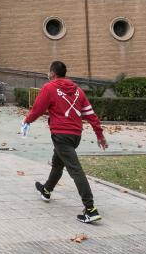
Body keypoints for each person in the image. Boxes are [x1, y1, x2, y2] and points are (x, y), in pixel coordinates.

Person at [22, 60, 108, 224]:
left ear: (52, 73)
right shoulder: (78, 90)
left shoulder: (49, 88)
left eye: (48, 72)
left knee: (75, 170)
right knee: (57, 163)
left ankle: (90, 209)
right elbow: (90, 113)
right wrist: (99, 135)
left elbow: (38, 109)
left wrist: (27, 121)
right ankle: (46, 190)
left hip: (60, 135)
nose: (48, 74)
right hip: (75, 135)